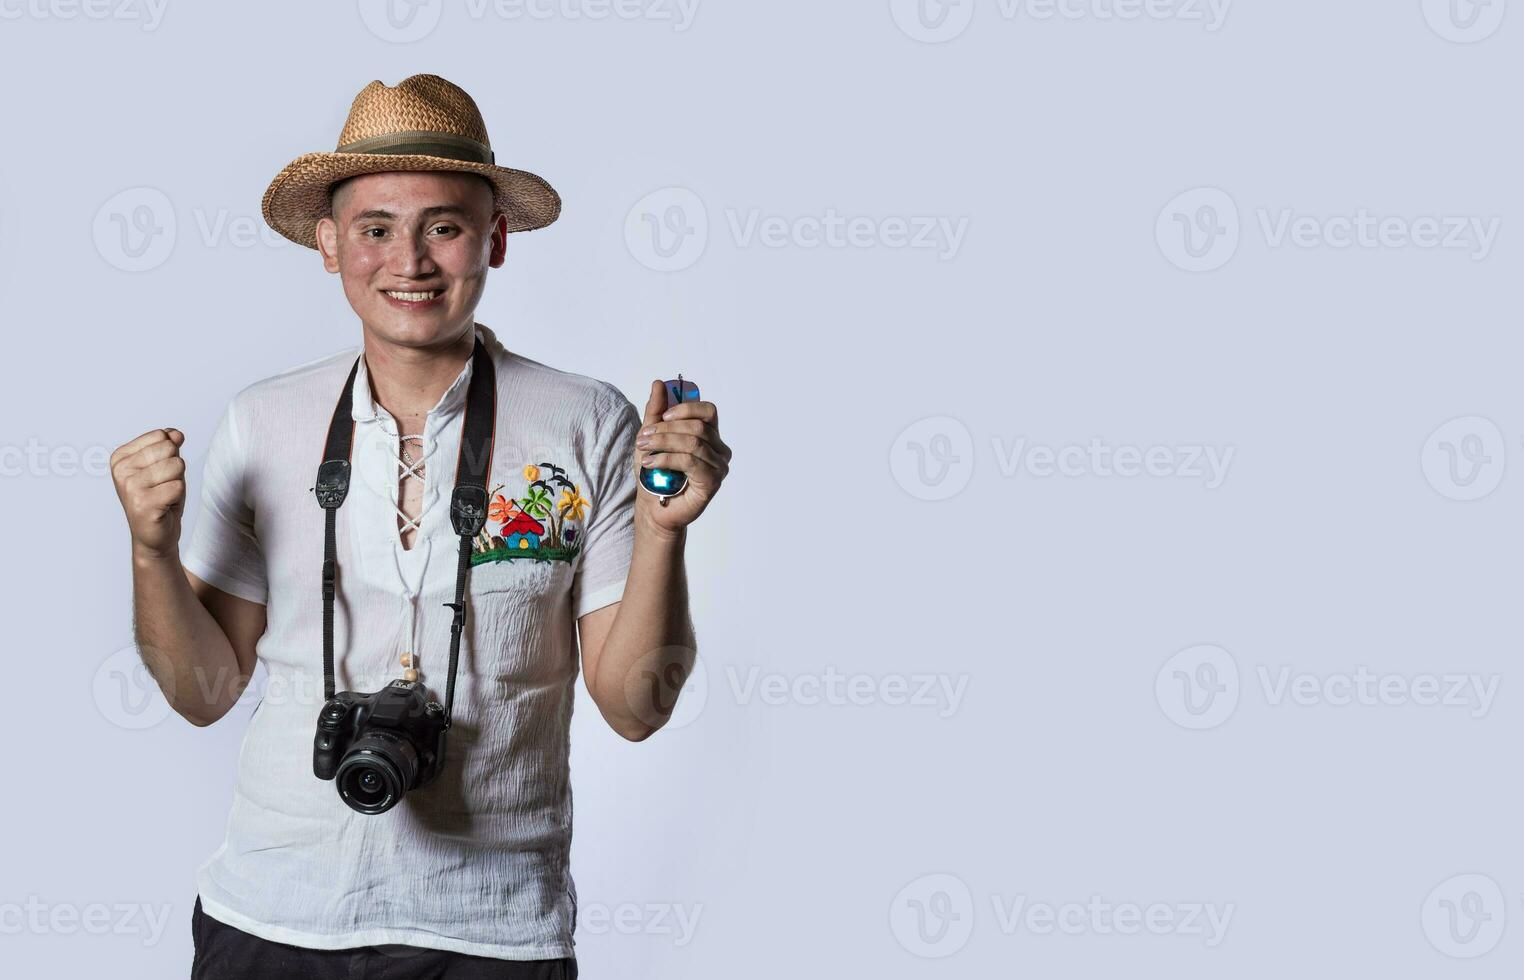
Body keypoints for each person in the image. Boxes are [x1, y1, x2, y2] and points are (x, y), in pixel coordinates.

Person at [108, 74, 731, 979]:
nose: (410, 260)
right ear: (328, 244)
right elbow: (201, 693)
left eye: (444, 225)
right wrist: (149, 551)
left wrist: (670, 535)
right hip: (273, 918)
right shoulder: (263, 420)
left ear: (496, 240)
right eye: (375, 229)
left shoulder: (586, 423)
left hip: (493, 932)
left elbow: (636, 709)